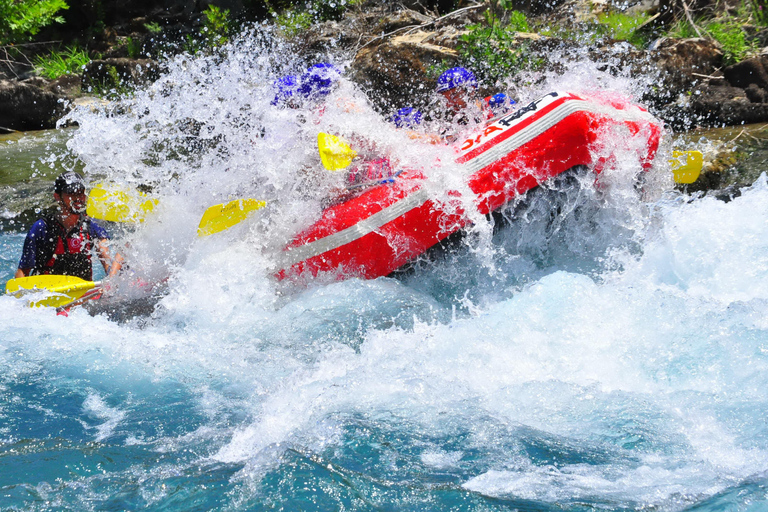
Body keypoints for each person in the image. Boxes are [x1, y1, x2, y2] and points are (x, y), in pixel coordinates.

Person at [15, 171, 122, 281]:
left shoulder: (92, 226)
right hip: (47, 289)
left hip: (83, 290)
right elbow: (23, 272)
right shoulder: (42, 228)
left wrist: (120, 258)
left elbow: (108, 265)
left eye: (81, 193)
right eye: (71, 193)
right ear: (57, 197)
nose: (78, 198)